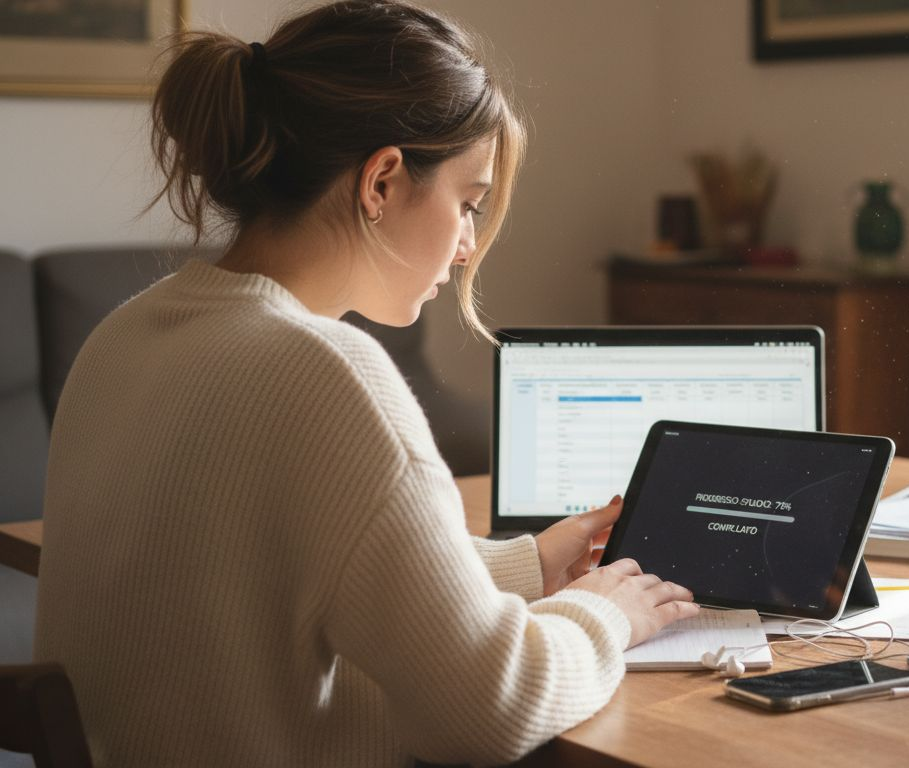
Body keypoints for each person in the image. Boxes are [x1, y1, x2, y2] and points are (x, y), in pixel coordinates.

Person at [33, 2, 698, 765]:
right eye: (468, 202)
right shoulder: (326, 373)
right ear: (381, 180)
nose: (467, 245)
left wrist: (531, 565)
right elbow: (490, 711)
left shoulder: (124, 334)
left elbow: (275, 571)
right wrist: (604, 614)